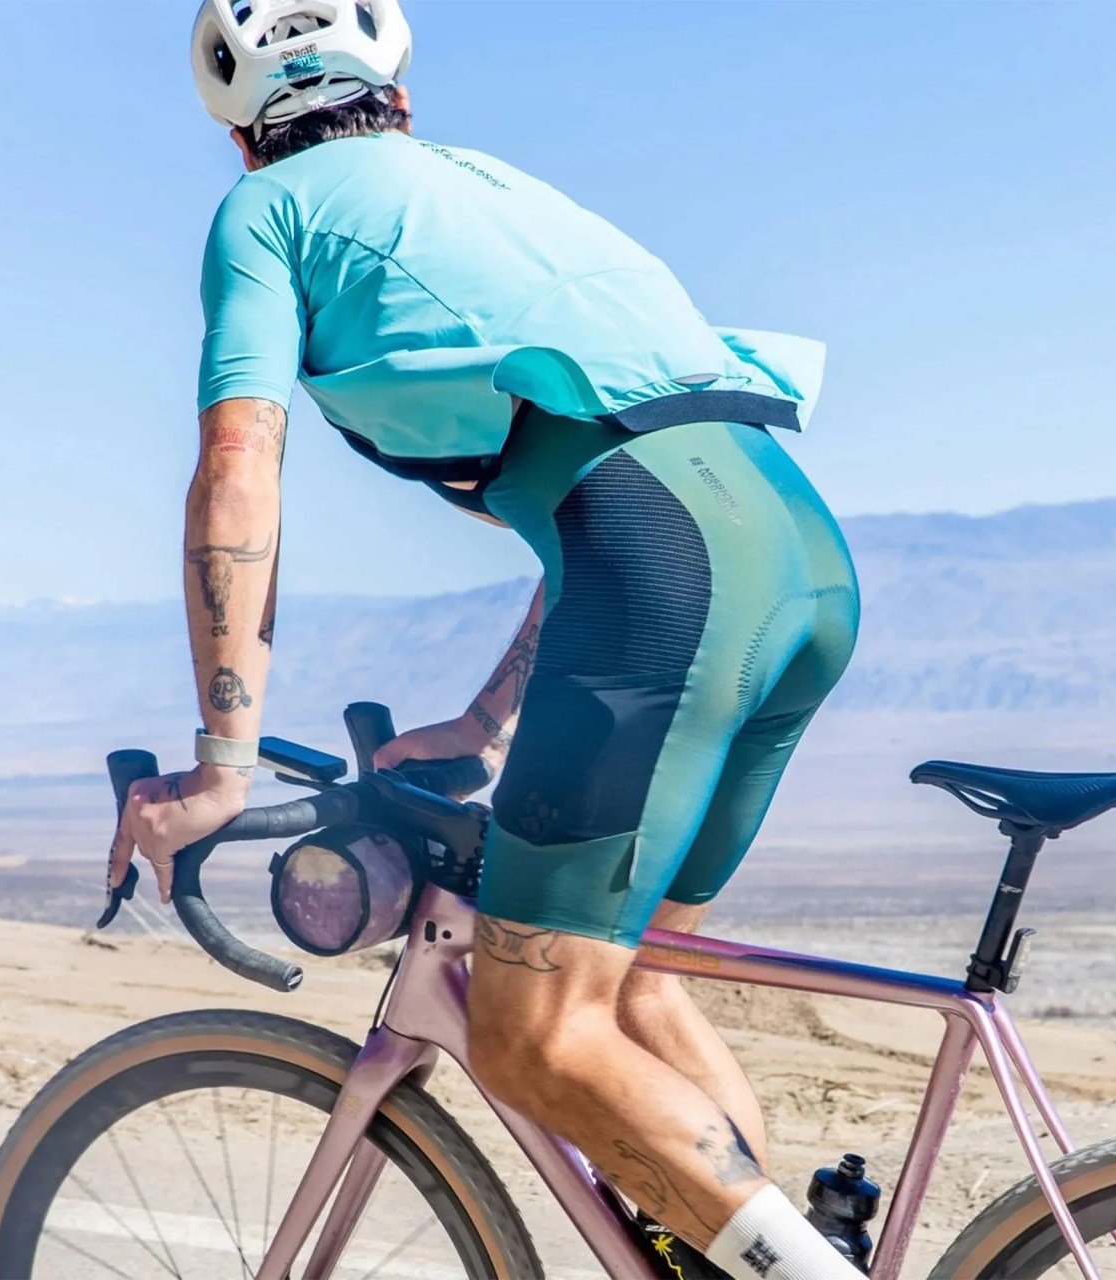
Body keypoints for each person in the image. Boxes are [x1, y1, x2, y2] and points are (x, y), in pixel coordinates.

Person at [110, 2, 862, 1275]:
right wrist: (488, 720)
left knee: (532, 1036)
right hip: (801, 567)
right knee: (633, 985)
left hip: (665, 583)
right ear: (398, 100)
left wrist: (222, 758)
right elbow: (628, 457)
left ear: (242, 137)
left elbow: (238, 457)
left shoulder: (268, 212)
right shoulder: (504, 191)